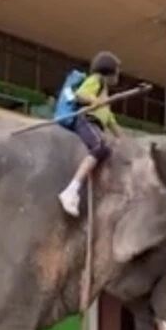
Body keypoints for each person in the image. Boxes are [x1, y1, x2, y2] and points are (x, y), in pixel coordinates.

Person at [56, 51, 123, 216]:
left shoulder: (105, 92)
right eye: (117, 70)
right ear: (109, 70)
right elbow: (81, 95)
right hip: (86, 120)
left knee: (107, 151)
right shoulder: (97, 80)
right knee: (100, 147)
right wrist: (96, 101)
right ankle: (71, 191)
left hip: (97, 125)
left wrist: (122, 138)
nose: (119, 74)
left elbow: (110, 120)